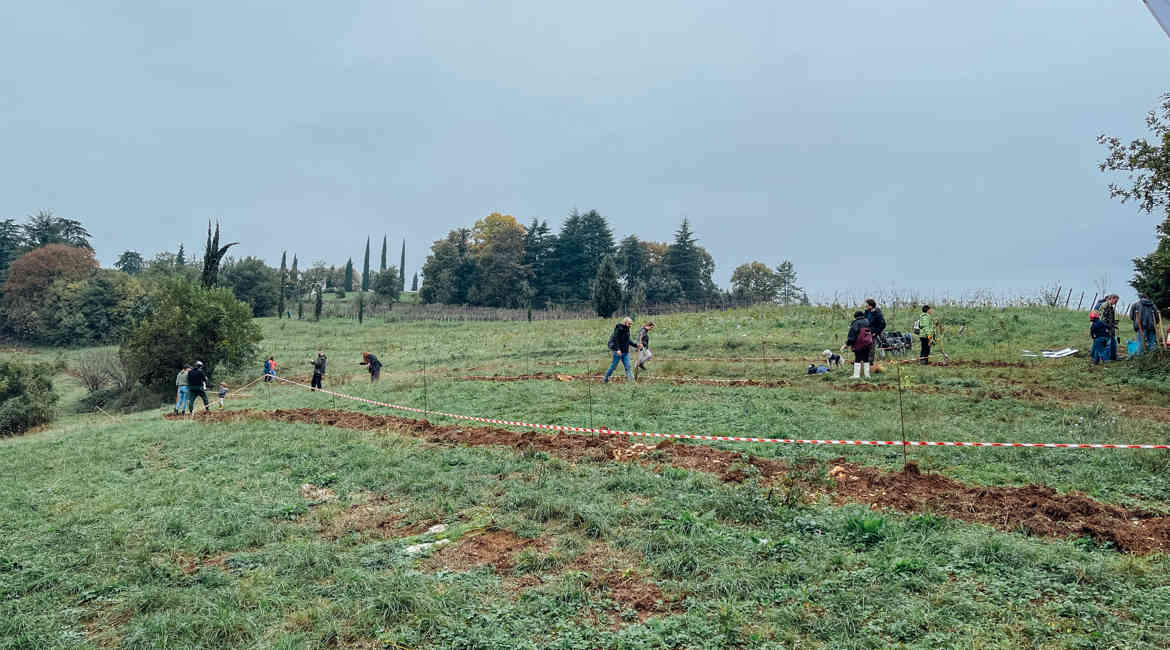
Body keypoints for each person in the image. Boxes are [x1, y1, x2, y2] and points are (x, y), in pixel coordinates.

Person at [603, 317, 635, 383]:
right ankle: (605, 379)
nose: (630, 325)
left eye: (631, 324)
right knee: (613, 367)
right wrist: (618, 349)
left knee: (628, 367)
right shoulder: (619, 329)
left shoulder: (627, 329)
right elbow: (616, 339)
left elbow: (628, 340)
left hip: (625, 352)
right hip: (618, 352)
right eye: (629, 324)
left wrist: (636, 345)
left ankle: (631, 381)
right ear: (625, 322)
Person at [843, 310, 873, 378]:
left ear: (855, 317)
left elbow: (852, 336)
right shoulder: (867, 321)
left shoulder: (855, 323)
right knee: (866, 359)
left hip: (859, 344)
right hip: (868, 343)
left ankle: (856, 375)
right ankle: (867, 375)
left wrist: (846, 344)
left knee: (857, 359)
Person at [1100, 294, 1120, 361]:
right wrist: (1106, 327)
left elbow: (1109, 317)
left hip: (1111, 327)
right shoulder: (1105, 306)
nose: (1116, 303)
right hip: (1106, 328)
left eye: (1117, 301)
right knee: (1108, 343)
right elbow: (1103, 318)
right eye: (1115, 301)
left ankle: (1113, 357)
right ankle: (1106, 359)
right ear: (1111, 299)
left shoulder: (1111, 307)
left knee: (1113, 343)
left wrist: (1114, 323)